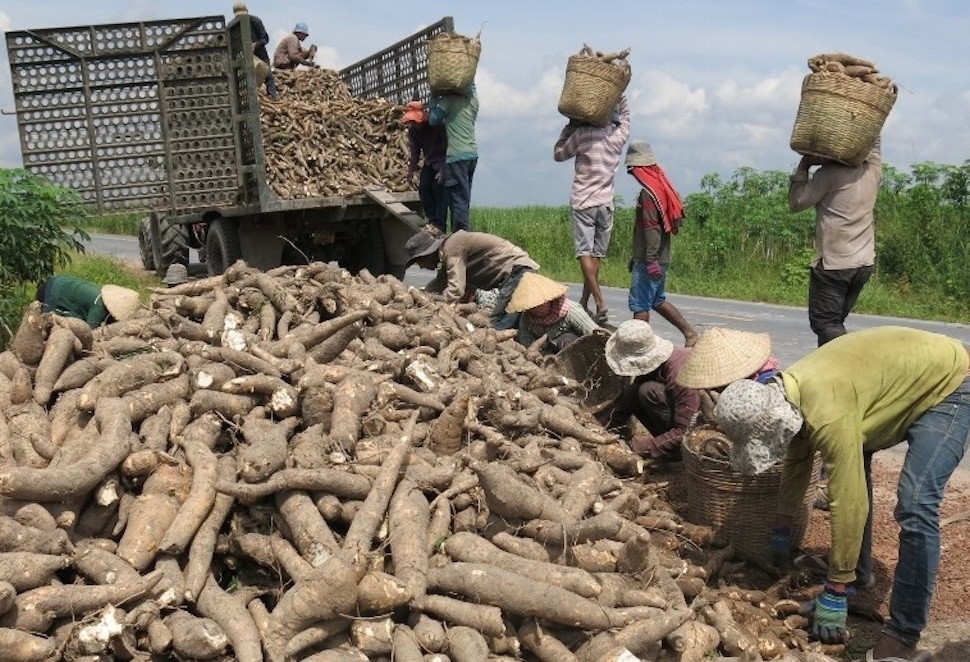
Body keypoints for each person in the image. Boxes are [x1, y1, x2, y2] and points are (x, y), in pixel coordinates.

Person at [713, 326, 969, 661]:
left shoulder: (826, 413)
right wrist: (782, 527)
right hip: (888, 385)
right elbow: (797, 459)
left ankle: (903, 633)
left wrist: (834, 589)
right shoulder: (786, 393)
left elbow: (848, 502)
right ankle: (859, 575)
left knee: (916, 503)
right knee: (852, 465)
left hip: (950, 383)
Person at [789, 138, 882, 347]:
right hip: (864, 262)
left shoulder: (827, 175)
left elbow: (796, 203)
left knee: (826, 323)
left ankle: (852, 360)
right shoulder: (873, 171)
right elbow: (874, 145)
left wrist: (804, 166)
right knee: (835, 322)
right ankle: (830, 373)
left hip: (835, 265)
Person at [553, 95, 631, 325]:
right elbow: (626, 116)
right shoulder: (617, 136)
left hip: (583, 201)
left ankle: (599, 301)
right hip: (606, 202)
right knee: (597, 255)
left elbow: (558, 154)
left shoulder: (582, 135)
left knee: (584, 252)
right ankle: (586, 301)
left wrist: (569, 128)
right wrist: (618, 91)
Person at [625, 140, 698, 347]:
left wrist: (649, 259)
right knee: (657, 300)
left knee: (640, 306)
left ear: (639, 168)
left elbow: (651, 228)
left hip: (652, 259)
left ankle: (638, 350)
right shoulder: (661, 189)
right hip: (659, 256)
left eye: (632, 169)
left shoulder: (649, 194)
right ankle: (690, 334)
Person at [599, 319, 699, 460]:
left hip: (697, 429)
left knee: (648, 391)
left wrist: (638, 447)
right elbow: (628, 399)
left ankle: (675, 453)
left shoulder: (680, 376)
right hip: (680, 418)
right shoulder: (656, 367)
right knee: (635, 391)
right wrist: (604, 429)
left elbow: (686, 431)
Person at [405, 228, 538, 330]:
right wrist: (419, 295)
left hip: (518, 271)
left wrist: (441, 310)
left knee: (498, 324)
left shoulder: (452, 247)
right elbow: (440, 283)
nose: (422, 268)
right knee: (509, 321)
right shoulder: (449, 251)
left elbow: (456, 290)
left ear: (427, 255)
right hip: (515, 274)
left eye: (420, 263)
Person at [505, 271, 600, 353]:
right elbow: (527, 344)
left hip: (578, 352)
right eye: (533, 307)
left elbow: (595, 333)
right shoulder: (526, 318)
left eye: (540, 304)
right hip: (546, 354)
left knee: (566, 339)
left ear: (549, 300)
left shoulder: (571, 311)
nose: (537, 309)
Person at [428, 83, 479, 233]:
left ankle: (461, 235)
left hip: (456, 157)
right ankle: (461, 232)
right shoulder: (472, 102)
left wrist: (433, 98)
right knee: (465, 196)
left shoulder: (448, 102)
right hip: (472, 155)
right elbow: (472, 88)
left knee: (457, 198)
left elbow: (432, 120)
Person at [402, 100, 448, 233]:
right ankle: (432, 219)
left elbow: (448, 147)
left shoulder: (437, 125)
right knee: (424, 188)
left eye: (416, 121)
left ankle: (440, 225)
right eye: (412, 121)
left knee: (438, 189)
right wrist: (411, 168)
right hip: (429, 161)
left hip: (442, 160)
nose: (415, 124)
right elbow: (415, 151)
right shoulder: (413, 131)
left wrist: (444, 169)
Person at [35, 275, 140, 328]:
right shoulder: (99, 307)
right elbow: (88, 332)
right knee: (45, 324)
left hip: (61, 281)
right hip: (54, 289)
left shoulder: (101, 298)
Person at [233, 2, 277, 100]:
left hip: (260, 54)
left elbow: (265, 38)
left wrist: (255, 45)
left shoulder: (255, 21)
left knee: (268, 75)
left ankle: (273, 97)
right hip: (244, 56)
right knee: (247, 79)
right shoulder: (234, 25)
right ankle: (251, 99)